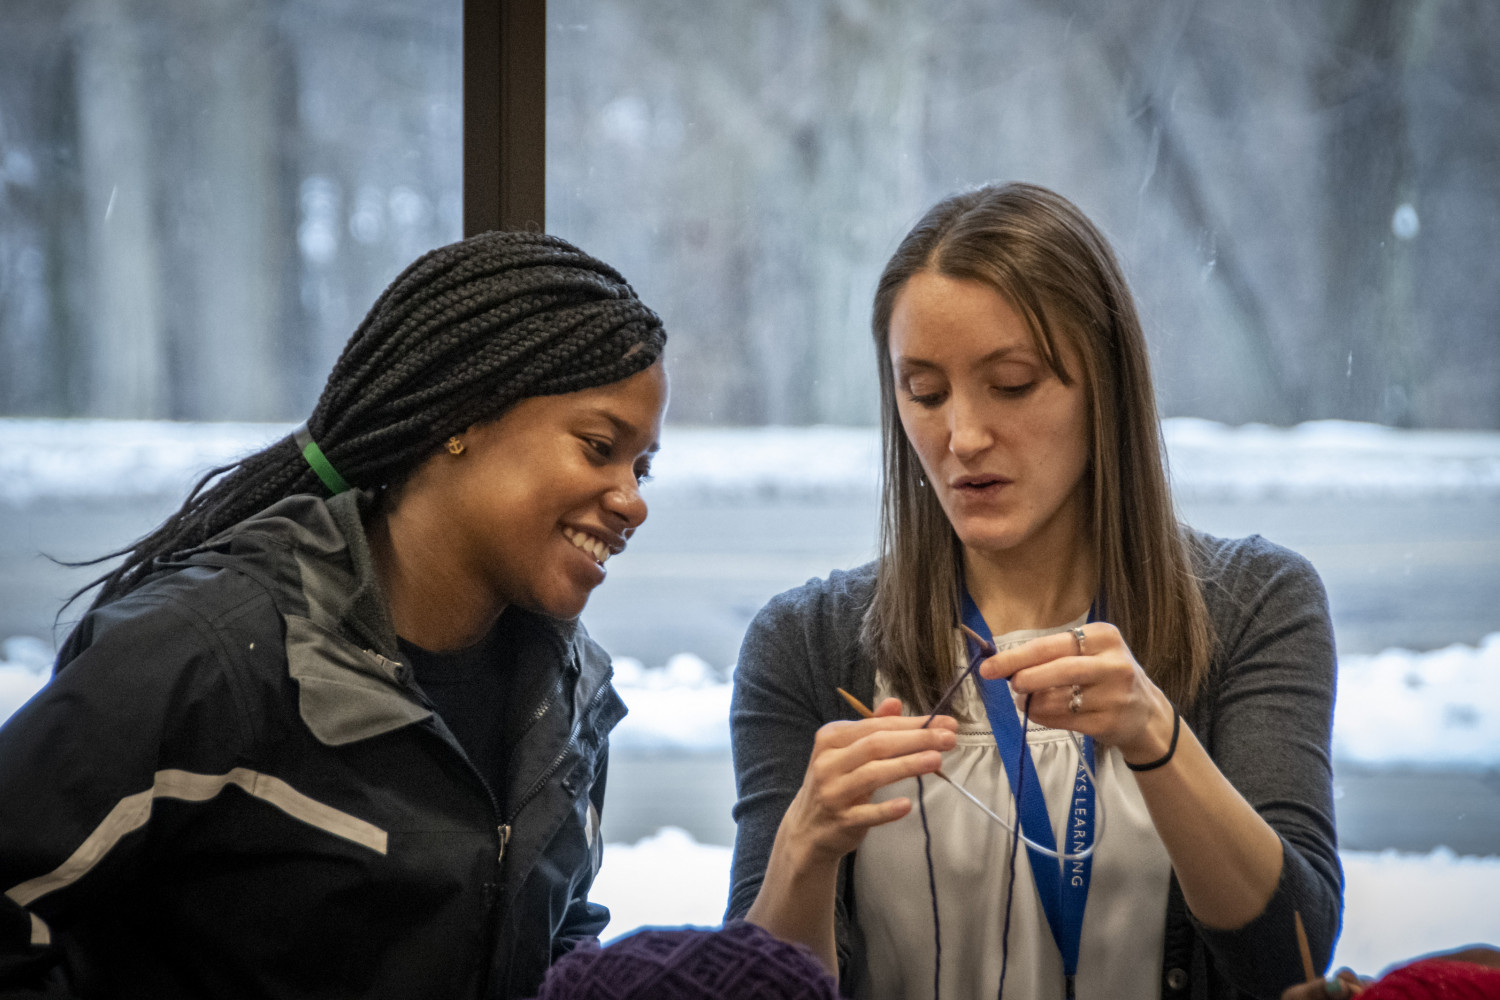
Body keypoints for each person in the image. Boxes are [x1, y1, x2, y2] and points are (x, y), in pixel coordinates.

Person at [0, 231, 668, 999]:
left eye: (642, 466)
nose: (633, 501)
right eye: (598, 447)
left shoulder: (567, 701)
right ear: (463, 416)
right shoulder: (208, 657)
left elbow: (560, 934)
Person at [726, 182, 1342, 1000]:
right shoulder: (806, 644)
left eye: (1012, 384)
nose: (963, 437)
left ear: (1107, 387)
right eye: (924, 392)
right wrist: (804, 846)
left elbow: (1293, 962)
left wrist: (1156, 734)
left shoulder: (1255, 604)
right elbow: (752, 986)